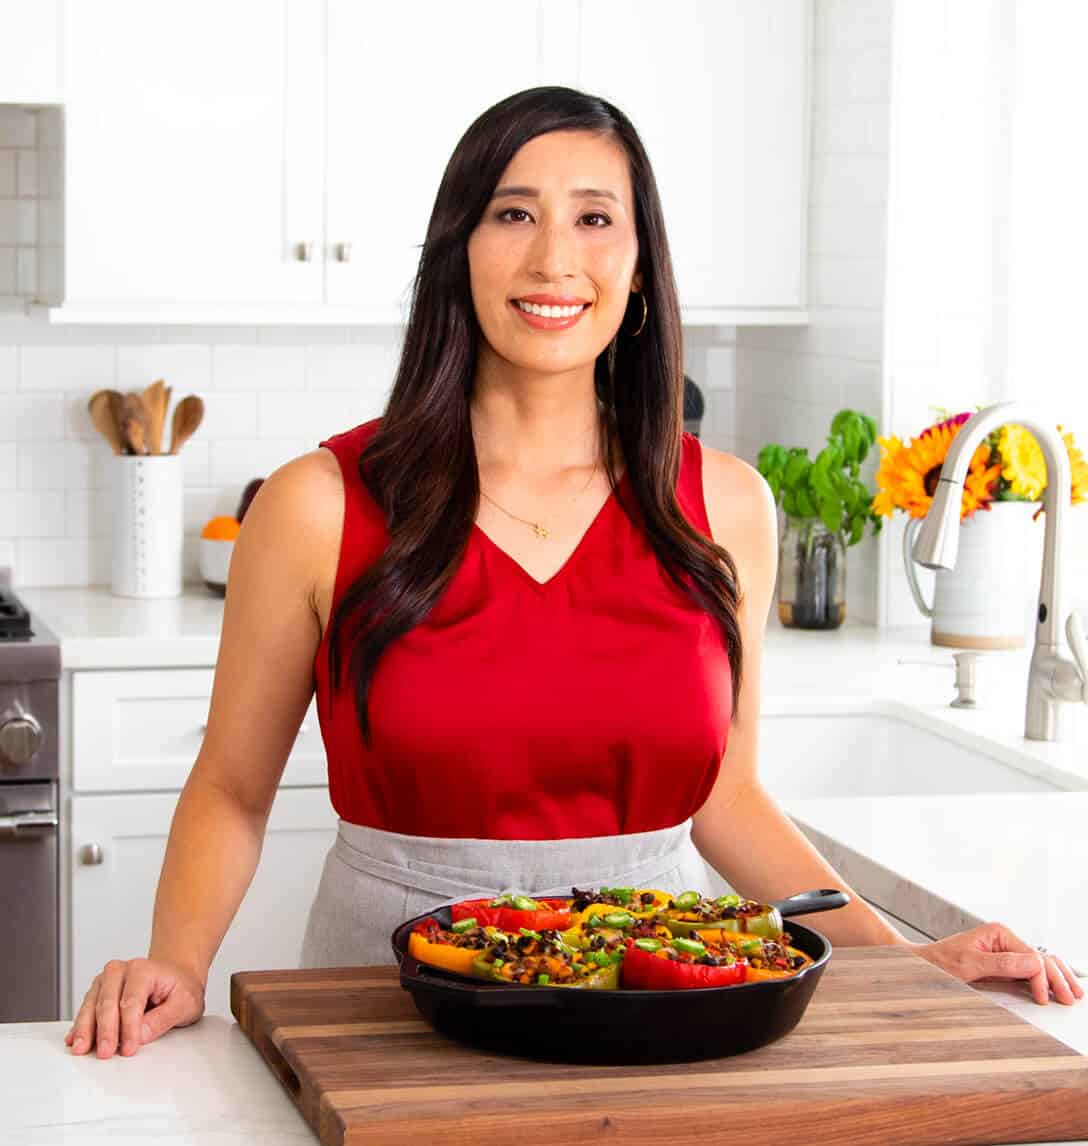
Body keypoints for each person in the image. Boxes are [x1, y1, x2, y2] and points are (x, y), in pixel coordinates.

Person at [65, 86, 1082, 1060]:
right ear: (456, 250)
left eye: (595, 219)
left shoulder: (724, 507)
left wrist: (901, 962)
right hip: (387, 1010)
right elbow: (233, 790)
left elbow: (726, 798)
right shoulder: (317, 503)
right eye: (512, 213)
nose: (554, 257)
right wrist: (177, 962)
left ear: (638, 267)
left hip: (654, 1004)